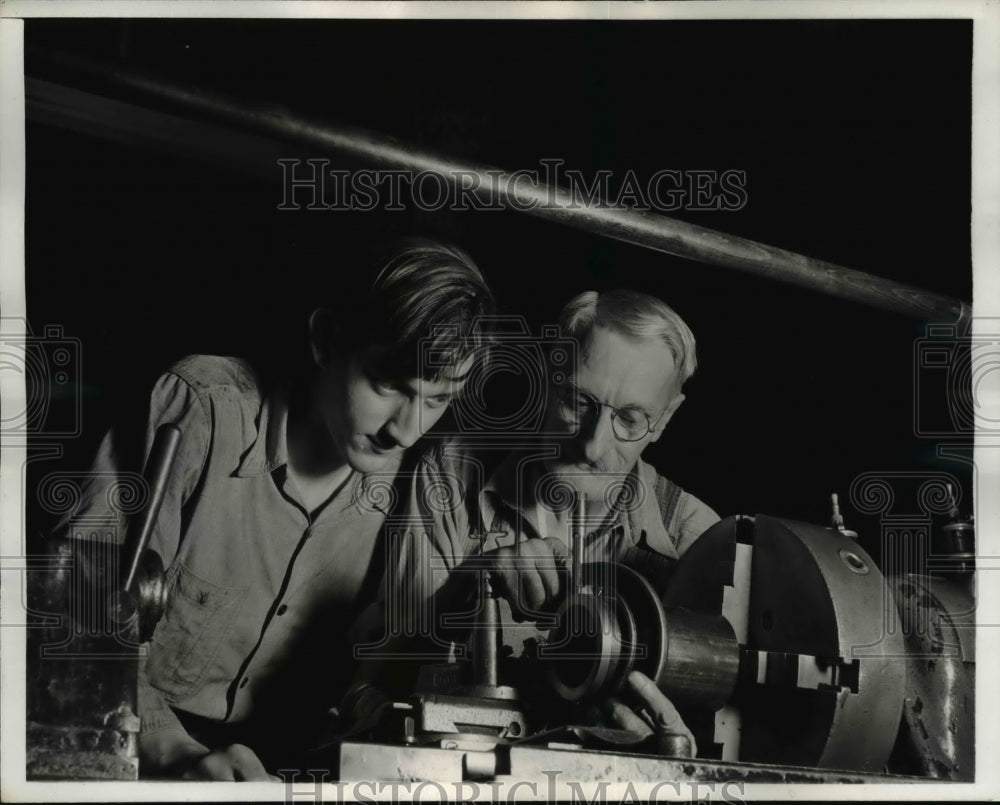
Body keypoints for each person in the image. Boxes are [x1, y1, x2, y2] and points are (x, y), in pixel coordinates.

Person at [51, 237, 495, 780]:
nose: (405, 428)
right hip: (132, 750)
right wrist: (176, 751)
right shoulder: (199, 410)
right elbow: (75, 625)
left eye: (438, 399)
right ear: (326, 339)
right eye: (388, 385)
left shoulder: (418, 483)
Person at [363, 288, 719, 752]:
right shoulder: (449, 478)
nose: (592, 445)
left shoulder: (698, 544)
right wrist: (465, 590)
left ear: (666, 419)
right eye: (578, 400)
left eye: (630, 419)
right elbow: (374, 685)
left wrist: (670, 760)